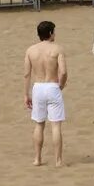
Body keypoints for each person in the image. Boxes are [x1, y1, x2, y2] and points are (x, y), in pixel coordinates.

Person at [23, 20, 67, 167]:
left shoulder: (30, 50)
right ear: (49, 33)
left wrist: (26, 94)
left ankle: (37, 158)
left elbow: (27, 74)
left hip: (38, 87)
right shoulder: (57, 49)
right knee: (55, 125)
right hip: (52, 85)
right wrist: (61, 84)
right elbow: (63, 71)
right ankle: (58, 160)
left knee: (39, 124)